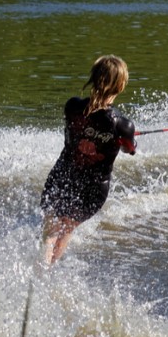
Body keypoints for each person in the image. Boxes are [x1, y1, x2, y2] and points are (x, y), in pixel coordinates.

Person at [40, 55, 137, 265]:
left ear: (93, 78)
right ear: (120, 86)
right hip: (93, 188)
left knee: (50, 232)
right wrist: (127, 140)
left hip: (63, 176)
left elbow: (84, 127)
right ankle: (46, 274)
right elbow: (130, 149)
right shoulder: (122, 125)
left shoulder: (72, 107)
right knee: (66, 227)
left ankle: (40, 272)